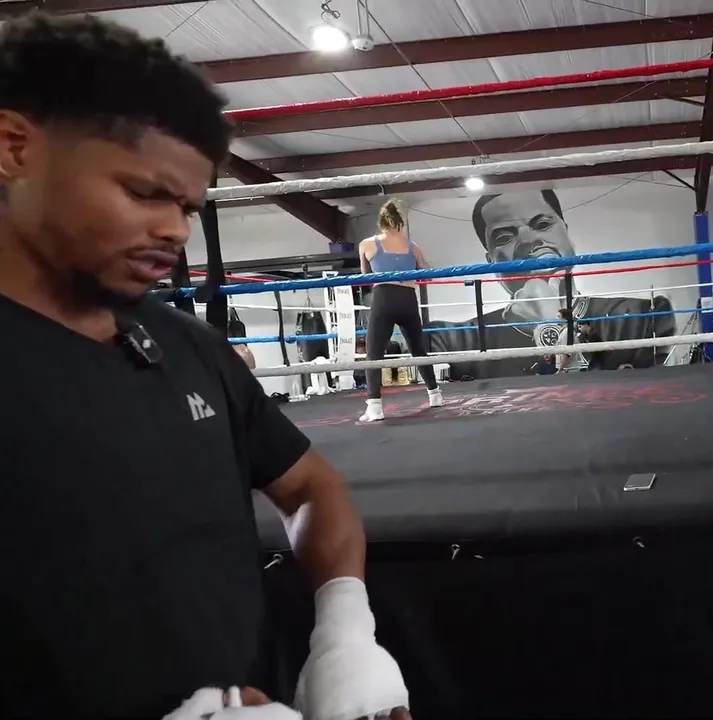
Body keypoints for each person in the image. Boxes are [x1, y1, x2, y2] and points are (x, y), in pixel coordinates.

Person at [0, 14, 411, 719]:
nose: (175, 230)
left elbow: (310, 486)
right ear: (15, 148)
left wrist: (345, 633)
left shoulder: (188, 344)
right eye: (144, 192)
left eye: (189, 207)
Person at [427, 190, 675, 379]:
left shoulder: (643, 318)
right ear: (490, 260)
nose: (529, 240)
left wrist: (551, 322)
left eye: (542, 225)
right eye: (504, 237)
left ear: (566, 232)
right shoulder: (455, 339)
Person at [358, 199, 442, 422]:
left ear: (380, 223)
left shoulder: (367, 244)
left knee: (374, 354)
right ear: (401, 223)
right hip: (408, 299)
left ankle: (375, 407)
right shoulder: (413, 247)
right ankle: (435, 395)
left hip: (384, 298)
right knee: (419, 350)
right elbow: (428, 274)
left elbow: (365, 277)